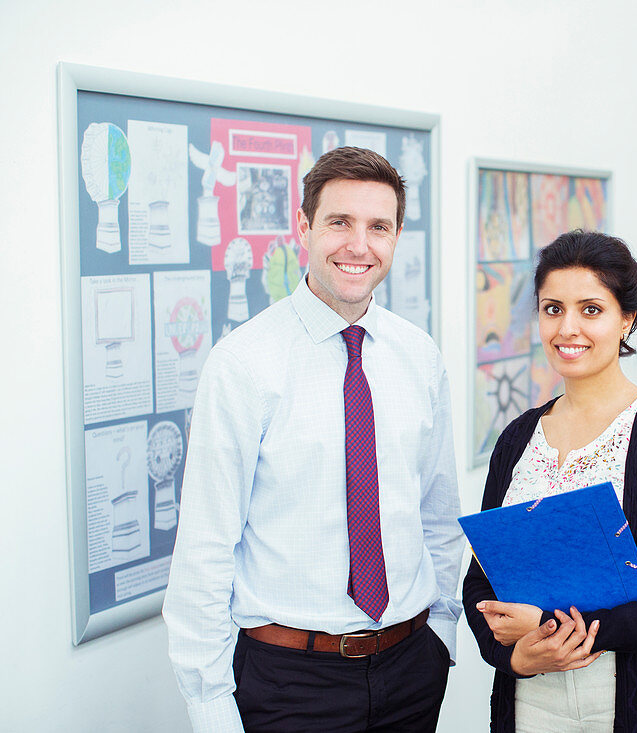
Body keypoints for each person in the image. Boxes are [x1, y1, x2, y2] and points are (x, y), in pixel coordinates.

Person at [164, 146, 463, 733]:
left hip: (410, 670)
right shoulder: (243, 364)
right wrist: (210, 707)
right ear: (303, 227)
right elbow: (204, 548)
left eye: (378, 226)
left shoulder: (419, 357)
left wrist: (442, 636)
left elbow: (437, 512)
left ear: (397, 236)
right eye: (339, 222)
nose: (359, 245)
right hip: (289, 684)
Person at [463, 230, 637, 732]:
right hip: (527, 702)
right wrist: (514, 659)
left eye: (590, 309)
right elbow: (480, 582)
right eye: (552, 308)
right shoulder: (517, 439)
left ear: (626, 318)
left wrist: (550, 626)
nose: (568, 328)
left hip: (630, 703)